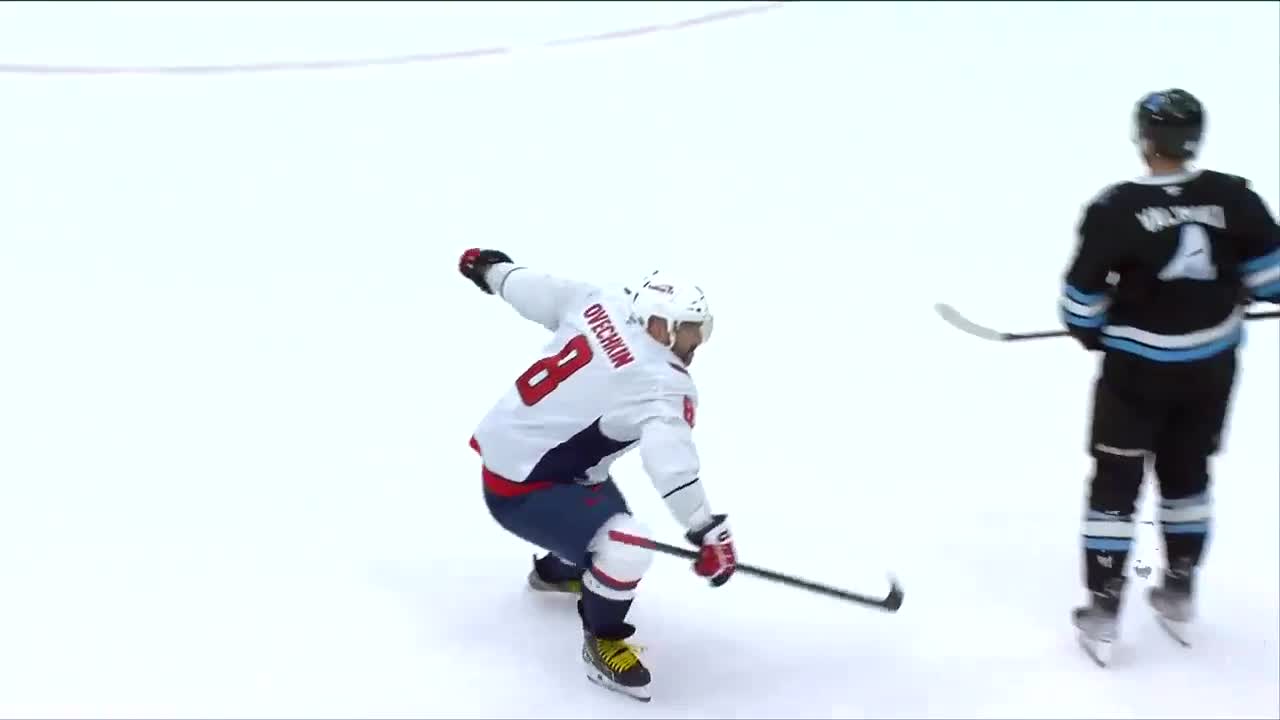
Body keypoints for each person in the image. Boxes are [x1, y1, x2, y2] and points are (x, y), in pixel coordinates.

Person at [1058, 88, 1280, 665]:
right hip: (1210, 368)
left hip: (1134, 373)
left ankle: (1103, 606)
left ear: (1143, 138)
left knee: (1115, 482)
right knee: (1188, 476)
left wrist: (1096, 330)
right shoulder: (1235, 198)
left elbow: (1079, 305)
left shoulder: (1115, 208)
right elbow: (1273, 282)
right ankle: (1179, 589)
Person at [456, 248, 737, 701]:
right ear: (659, 326)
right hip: (525, 488)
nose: (696, 342)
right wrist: (706, 529)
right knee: (626, 546)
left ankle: (560, 570)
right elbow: (672, 466)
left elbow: (534, 290)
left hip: (533, 464)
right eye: (689, 329)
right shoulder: (664, 386)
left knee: (601, 516)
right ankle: (602, 640)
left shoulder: (603, 301)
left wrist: (492, 271)